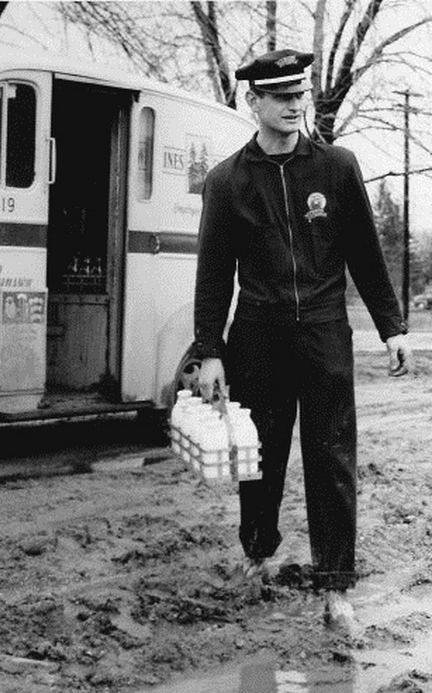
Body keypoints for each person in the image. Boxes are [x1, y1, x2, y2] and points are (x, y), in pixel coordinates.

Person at [193, 48, 412, 634]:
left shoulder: (337, 168)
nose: (295, 105)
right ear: (254, 101)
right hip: (258, 336)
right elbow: (213, 274)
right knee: (259, 458)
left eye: (300, 94)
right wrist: (209, 350)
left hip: (323, 333)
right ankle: (258, 551)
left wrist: (392, 327)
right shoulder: (228, 181)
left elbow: (365, 253)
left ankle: (336, 585)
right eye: (282, 96)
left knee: (332, 457)